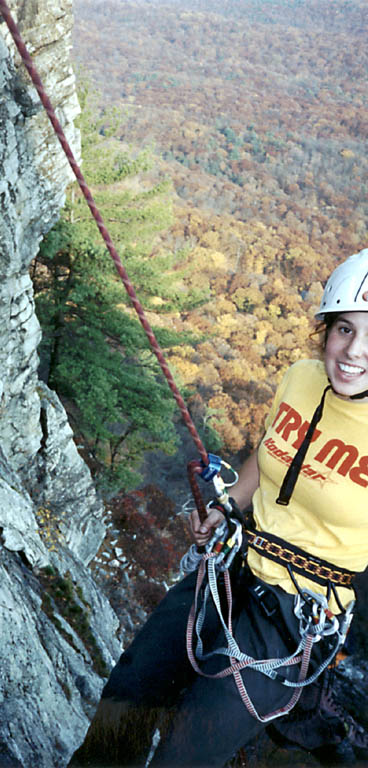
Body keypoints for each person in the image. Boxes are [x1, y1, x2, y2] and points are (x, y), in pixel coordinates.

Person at [69, 249, 368, 767]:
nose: (353, 351)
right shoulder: (300, 378)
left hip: (298, 618)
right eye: (344, 328)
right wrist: (228, 506)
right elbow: (268, 452)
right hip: (232, 566)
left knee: (185, 752)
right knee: (128, 696)